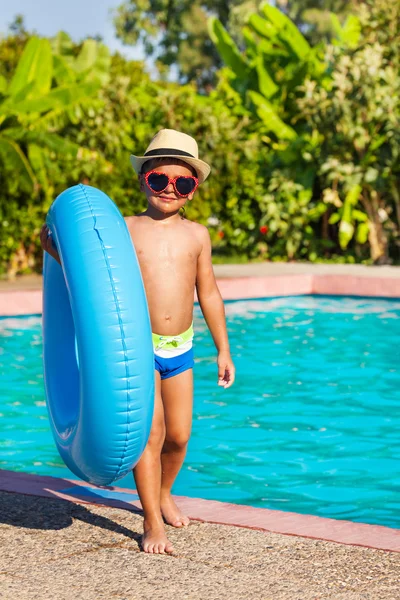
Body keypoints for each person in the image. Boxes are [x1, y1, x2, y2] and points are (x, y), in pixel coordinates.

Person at [40, 128, 235, 555]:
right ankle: (150, 518)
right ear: (143, 179)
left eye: (181, 183)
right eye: (159, 179)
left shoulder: (197, 236)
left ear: (193, 190)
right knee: (152, 432)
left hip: (180, 348)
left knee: (180, 436)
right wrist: (54, 250)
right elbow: (90, 275)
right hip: (135, 348)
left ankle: (164, 493)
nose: (169, 189)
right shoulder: (123, 230)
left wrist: (223, 347)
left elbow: (210, 294)